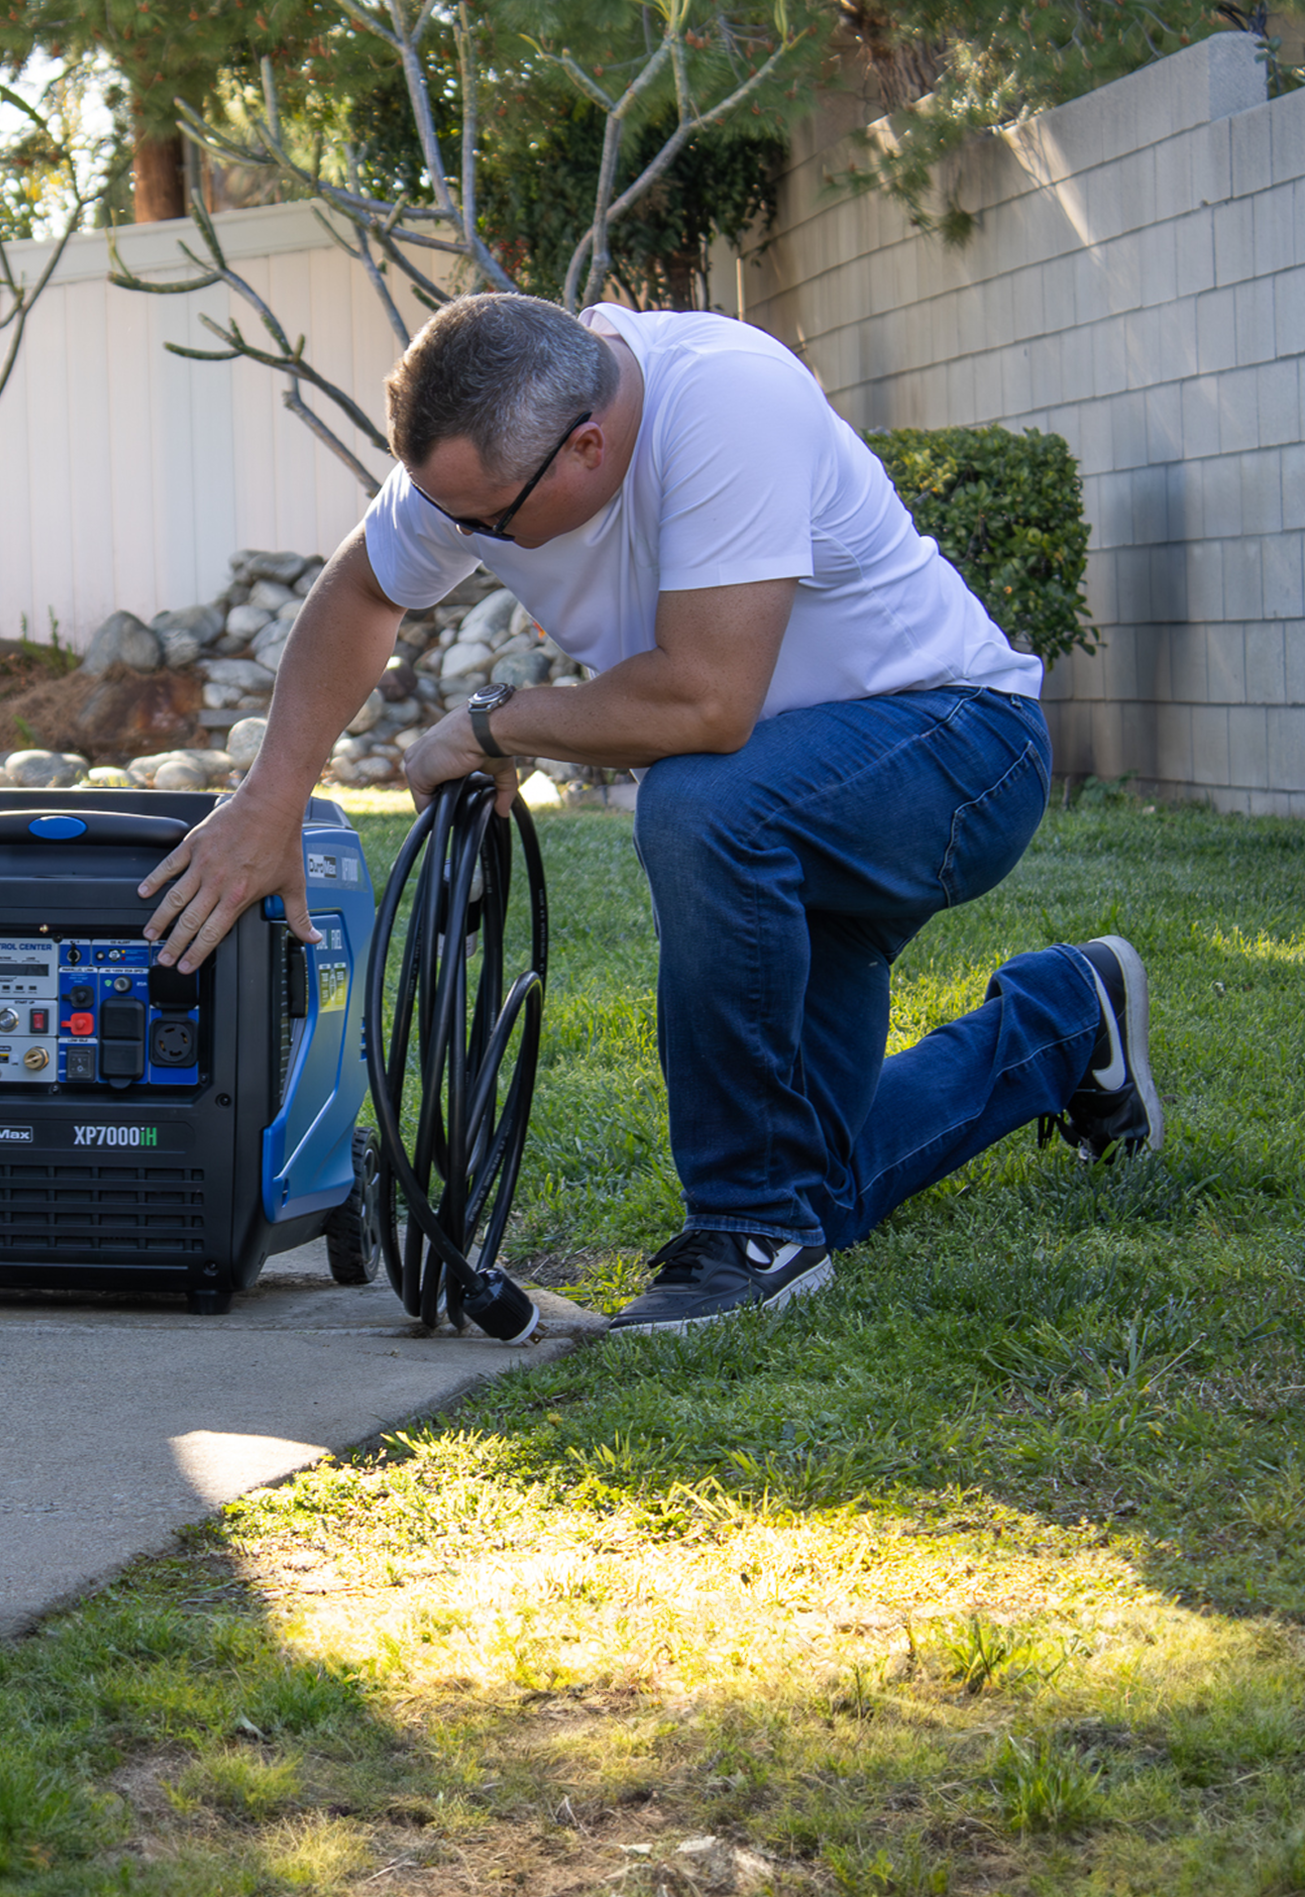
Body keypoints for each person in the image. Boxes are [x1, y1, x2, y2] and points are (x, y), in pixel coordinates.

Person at [138, 293, 1163, 1333]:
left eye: (485, 522)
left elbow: (705, 701)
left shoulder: (727, 399)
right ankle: (1065, 1017)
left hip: (954, 749)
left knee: (696, 801)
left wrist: (495, 725)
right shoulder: (495, 455)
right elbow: (361, 592)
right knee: (824, 1180)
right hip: (790, 803)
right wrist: (271, 795)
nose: (463, 539)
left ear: (586, 446)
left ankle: (745, 1225)